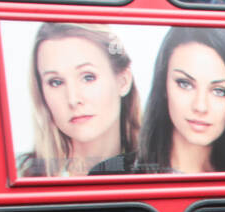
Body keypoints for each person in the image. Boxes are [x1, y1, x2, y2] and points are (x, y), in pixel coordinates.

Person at [17, 23, 140, 176]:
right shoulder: (20, 173)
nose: (73, 99)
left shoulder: (159, 167)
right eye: (56, 82)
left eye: (88, 77)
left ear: (123, 81)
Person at [137, 27, 225, 174]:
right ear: (163, 86)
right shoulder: (119, 172)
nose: (200, 106)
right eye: (185, 84)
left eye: (219, 91)